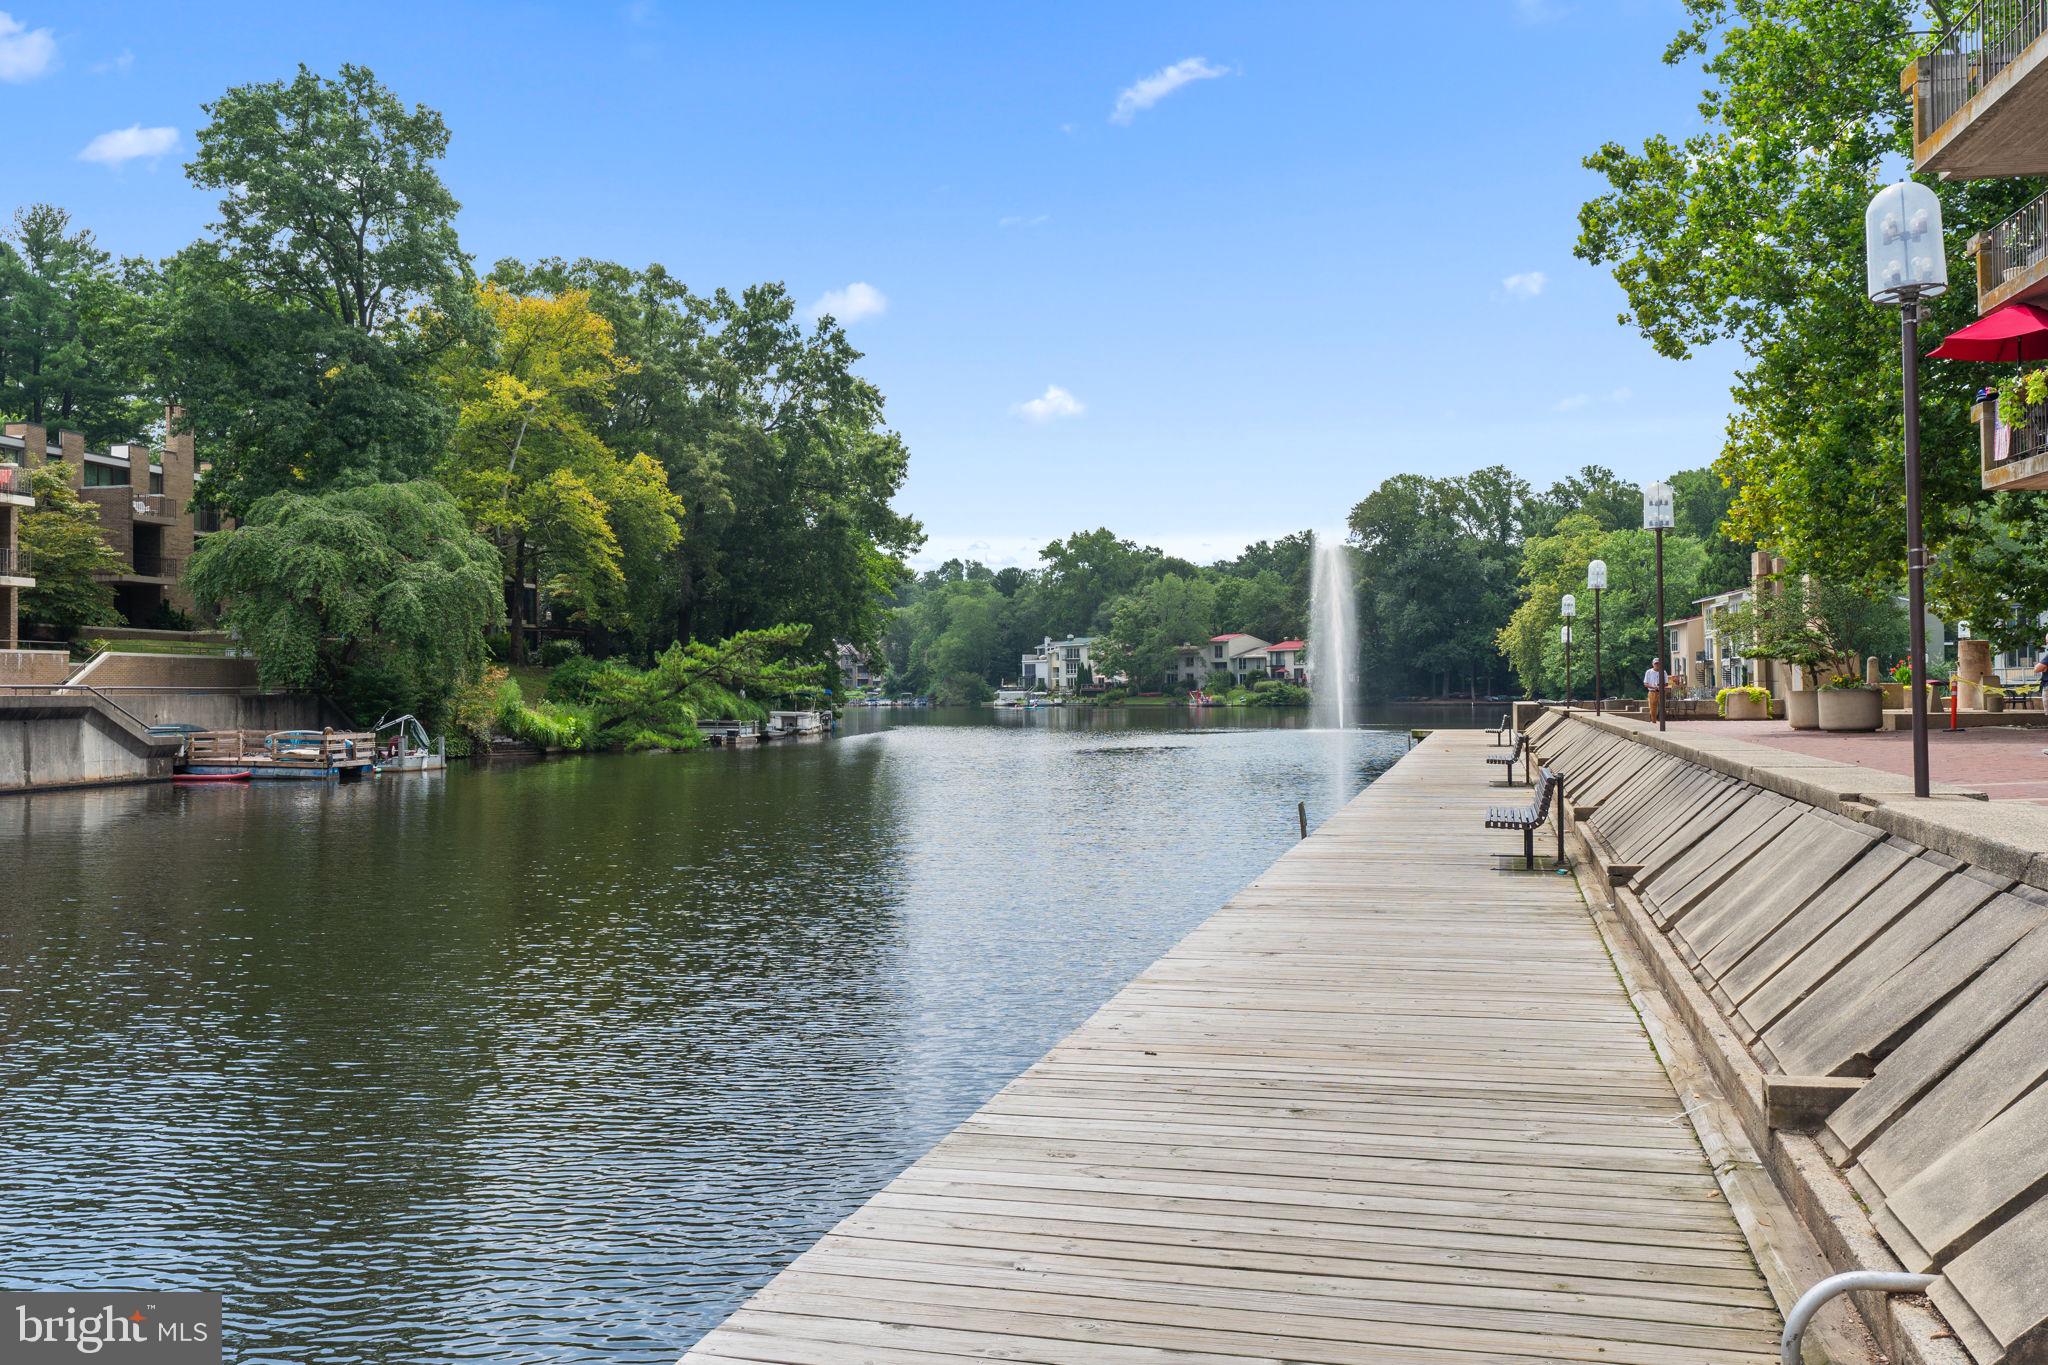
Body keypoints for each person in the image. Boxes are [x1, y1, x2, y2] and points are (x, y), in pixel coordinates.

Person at [1644, 657, 1667, 723]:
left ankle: (1662, 721)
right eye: (1656, 663)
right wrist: (1654, 687)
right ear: (1653, 664)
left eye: (1658, 663)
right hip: (1652, 692)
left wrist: (1660, 686)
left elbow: (1666, 683)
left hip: (1661, 691)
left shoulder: (1663, 672)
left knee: (1662, 707)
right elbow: (1645, 684)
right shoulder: (1649, 672)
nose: (1657, 665)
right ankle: (1653, 721)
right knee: (1652, 708)